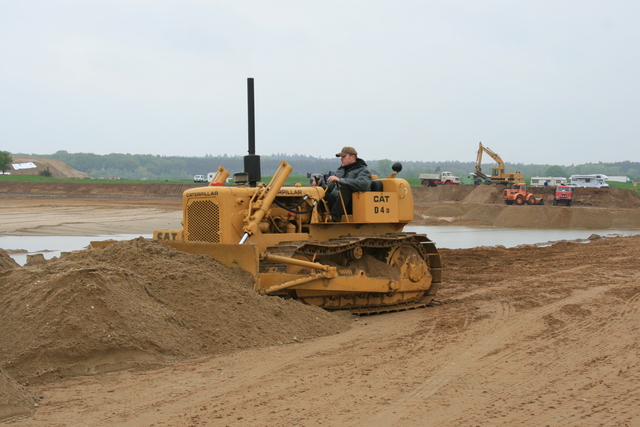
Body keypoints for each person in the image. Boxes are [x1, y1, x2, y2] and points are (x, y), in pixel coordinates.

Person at [322, 146, 372, 222]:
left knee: (345, 189)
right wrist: (320, 185)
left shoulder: (363, 170)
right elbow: (330, 187)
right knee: (319, 192)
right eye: (341, 157)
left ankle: (335, 218)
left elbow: (364, 184)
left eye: (344, 156)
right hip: (337, 202)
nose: (341, 159)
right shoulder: (341, 170)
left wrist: (341, 180)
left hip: (352, 204)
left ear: (352, 157)